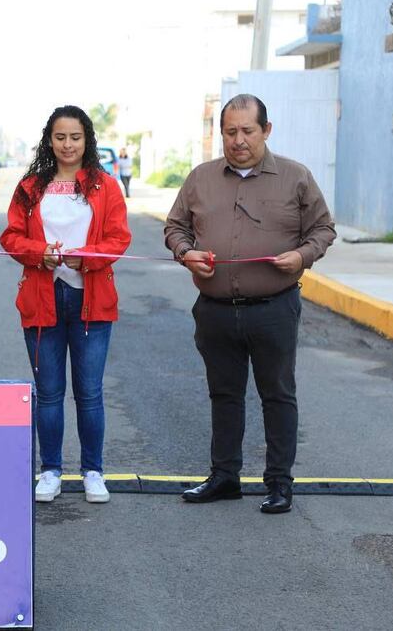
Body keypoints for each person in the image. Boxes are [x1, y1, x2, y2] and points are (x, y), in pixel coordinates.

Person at [164, 94, 336, 514]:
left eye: (247, 130)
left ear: (266, 130)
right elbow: (175, 227)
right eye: (230, 131)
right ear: (220, 133)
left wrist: (302, 256)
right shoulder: (200, 179)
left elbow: (323, 229)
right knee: (224, 395)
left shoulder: (296, 177)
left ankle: (279, 482)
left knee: (277, 394)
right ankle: (225, 476)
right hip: (216, 309)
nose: (238, 140)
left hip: (273, 309)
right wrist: (185, 251)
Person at [0, 105, 132, 504]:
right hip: (42, 298)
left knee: (89, 392)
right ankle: (51, 470)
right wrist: (41, 252)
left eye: (75, 137)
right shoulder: (30, 187)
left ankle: (93, 470)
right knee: (49, 391)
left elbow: (117, 238)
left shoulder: (106, 186)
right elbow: (11, 238)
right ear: (49, 140)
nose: (68, 145)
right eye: (60, 137)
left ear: (87, 140)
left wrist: (87, 256)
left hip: (91, 299)